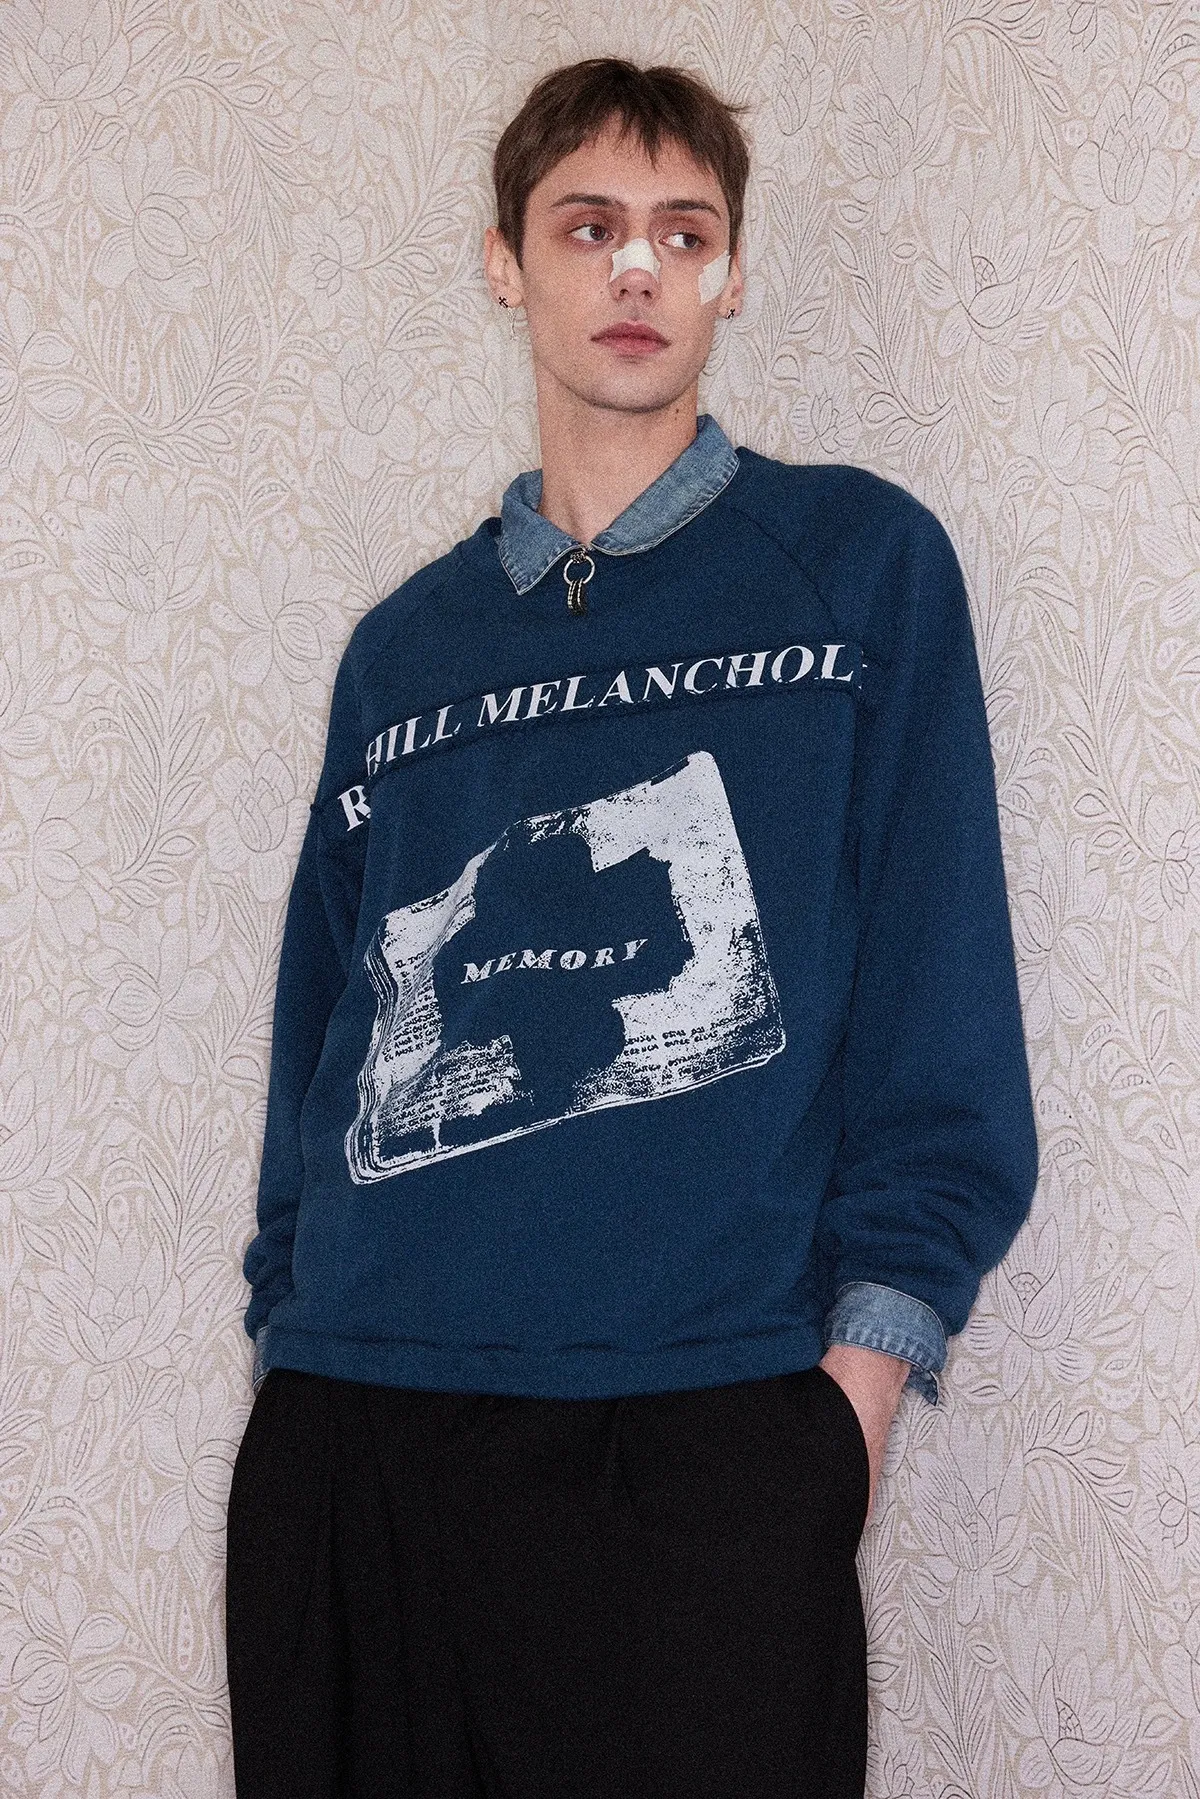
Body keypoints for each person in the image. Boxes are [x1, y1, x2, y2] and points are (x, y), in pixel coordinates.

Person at [224, 56, 1039, 1799]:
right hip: (365, 1424)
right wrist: (291, 1316)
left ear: (732, 275)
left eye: (685, 230)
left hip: (706, 1440)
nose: (639, 269)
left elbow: (939, 1002)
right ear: (506, 263)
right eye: (589, 226)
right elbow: (323, 1031)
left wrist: (845, 1408)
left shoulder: (859, 570)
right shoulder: (406, 651)